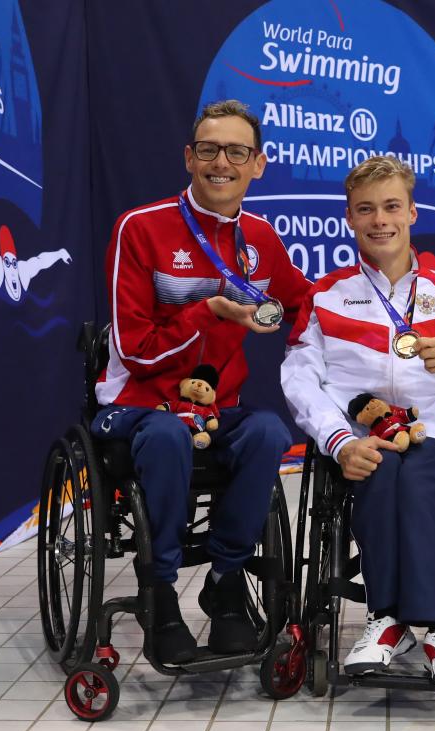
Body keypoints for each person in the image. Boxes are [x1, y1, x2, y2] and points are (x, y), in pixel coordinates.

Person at [92, 100, 311, 665]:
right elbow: (134, 350)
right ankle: (160, 592)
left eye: (238, 151)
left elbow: (304, 301)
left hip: (216, 411)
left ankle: (227, 582)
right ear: (189, 158)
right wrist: (209, 311)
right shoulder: (140, 228)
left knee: (267, 432)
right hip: (136, 403)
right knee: (165, 437)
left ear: (258, 165)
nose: (223, 162)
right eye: (210, 149)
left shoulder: (261, 238)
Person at [282, 156, 435, 684]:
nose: (379, 219)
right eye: (366, 210)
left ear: (411, 213)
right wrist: (338, 441)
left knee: (419, 474)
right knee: (384, 472)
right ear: (350, 219)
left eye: (390, 207)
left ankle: (414, 623)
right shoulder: (327, 295)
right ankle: (406, 625)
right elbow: (299, 378)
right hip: (361, 439)